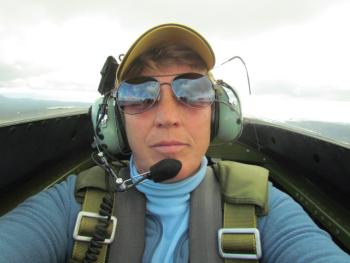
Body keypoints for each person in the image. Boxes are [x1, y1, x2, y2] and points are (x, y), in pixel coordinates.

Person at [0, 23, 349, 263]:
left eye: (192, 91)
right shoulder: (74, 203)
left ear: (218, 113)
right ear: (116, 120)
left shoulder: (266, 207)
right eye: (139, 95)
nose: (168, 116)